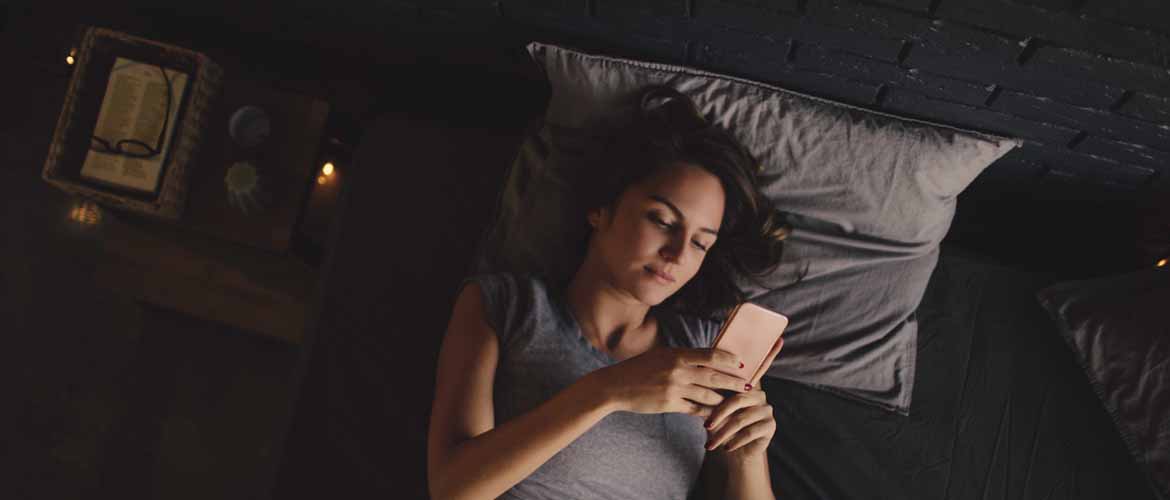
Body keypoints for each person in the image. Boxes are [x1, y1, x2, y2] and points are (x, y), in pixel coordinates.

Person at [427, 84, 792, 500]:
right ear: (601, 208)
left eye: (699, 243)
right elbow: (452, 490)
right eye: (663, 220)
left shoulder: (705, 352)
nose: (676, 254)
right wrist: (608, 391)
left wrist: (748, 455)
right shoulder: (505, 307)